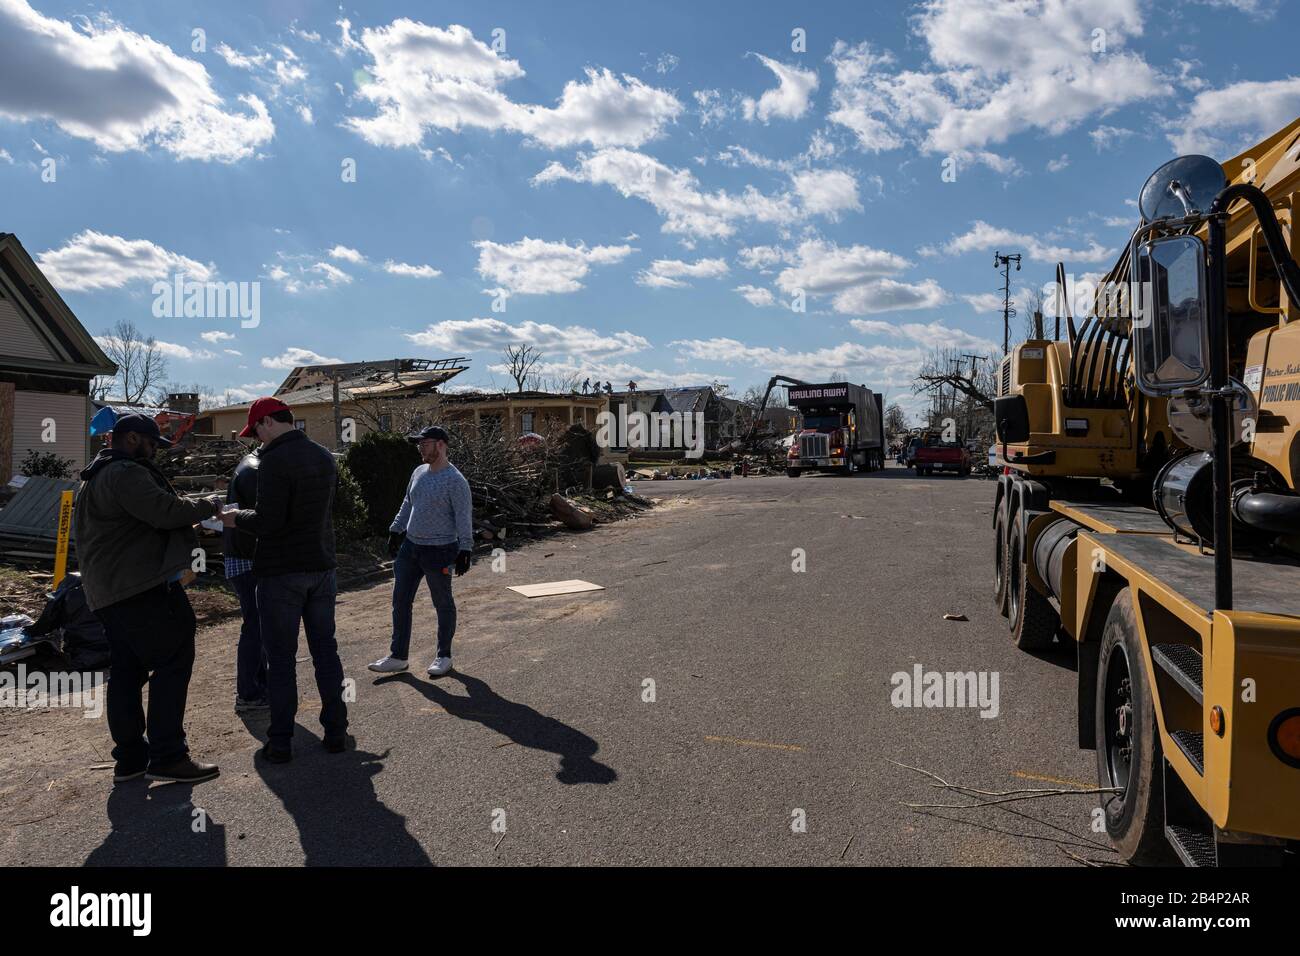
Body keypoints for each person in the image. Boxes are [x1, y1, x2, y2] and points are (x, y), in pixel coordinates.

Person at [73, 414, 224, 784]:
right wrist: (211, 504)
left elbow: (147, 514)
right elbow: (165, 512)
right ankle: (169, 756)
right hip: (141, 587)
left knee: (127, 670)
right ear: (132, 439)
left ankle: (130, 759)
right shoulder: (125, 473)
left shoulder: (96, 477)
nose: (155, 450)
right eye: (152, 443)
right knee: (174, 657)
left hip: (109, 593)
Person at [221, 397, 347, 764]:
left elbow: (269, 522)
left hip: (282, 573)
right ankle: (336, 730)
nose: (257, 440)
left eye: (256, 431)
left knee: (281, 658)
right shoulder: (324, 457)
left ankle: (280, 740)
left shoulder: (273, 461)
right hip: (322, 568)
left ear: (267, 423)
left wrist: (234, 518)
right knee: (326, 651)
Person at [368, 426, 473, 678]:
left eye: (424, 443)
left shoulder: (455, 481)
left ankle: (444, 656)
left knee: (442, 603)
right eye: (419, 444)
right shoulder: (418, 472)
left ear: (440, 445)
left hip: (440, 551)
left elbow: (463, 516)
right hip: (411, 548)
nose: (420, 448)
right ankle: (398, 656)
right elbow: (408, 502)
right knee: (400, 602)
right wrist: (396, 529)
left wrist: (465, 548)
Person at [223, 448, 267, 713]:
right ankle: (248, 693)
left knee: (257, 625)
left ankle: (258, 686)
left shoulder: (249, 466)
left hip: (241, 555)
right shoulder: (254, 472)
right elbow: (262, 519)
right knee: (255, 626)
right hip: (247, 557)